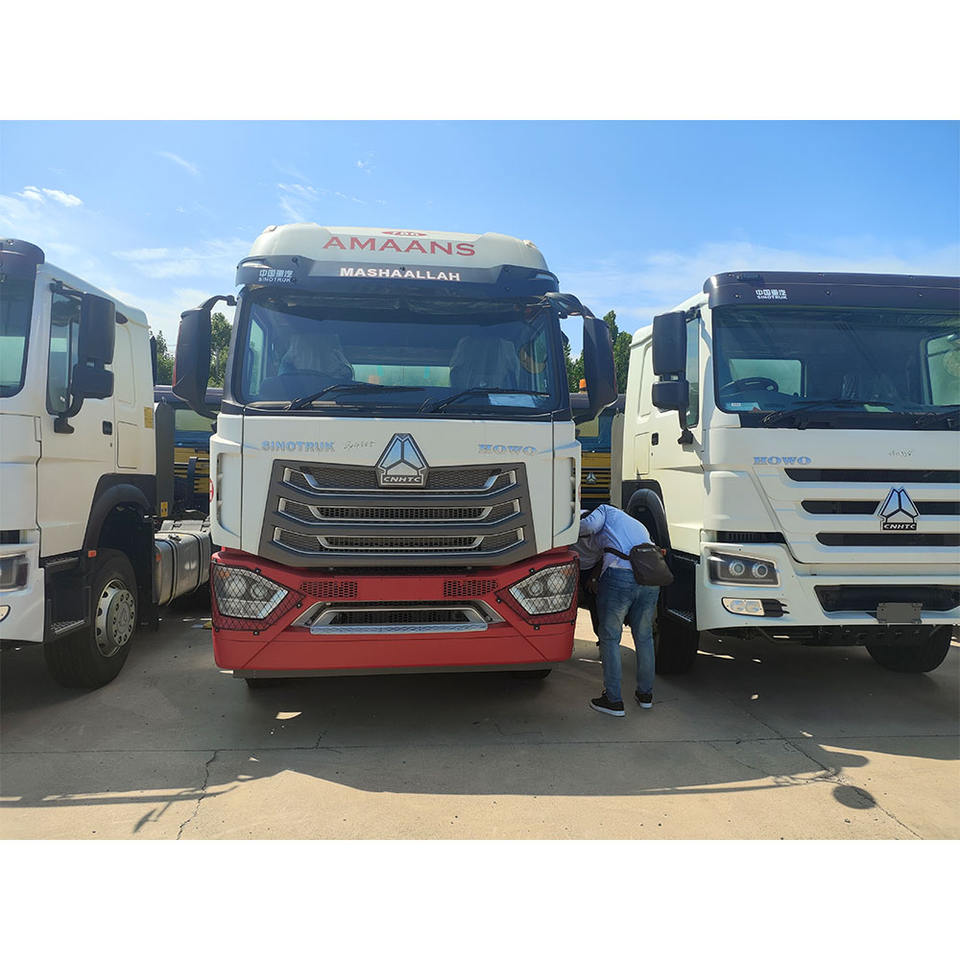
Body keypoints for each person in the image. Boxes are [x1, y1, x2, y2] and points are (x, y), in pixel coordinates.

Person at [578, 503, 659, 717]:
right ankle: (645, 695)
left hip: (620, 575)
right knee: (644, 637)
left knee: (610, 638)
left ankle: (613, 700)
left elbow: (587, 527)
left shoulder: (605, 510)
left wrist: (564, 528)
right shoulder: (633, 523)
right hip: (650, 577)